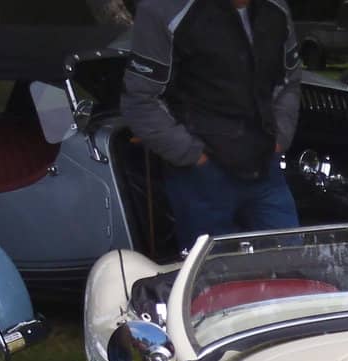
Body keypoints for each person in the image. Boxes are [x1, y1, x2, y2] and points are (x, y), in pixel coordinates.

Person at [122, 0, 302, 249]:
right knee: (214, 276)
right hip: (201, 176)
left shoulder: (276, 8)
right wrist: (193, 155)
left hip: (264, 164)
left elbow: (289, 81)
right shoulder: (164, 9)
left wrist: (280, 138)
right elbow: (140, 101)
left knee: (292, 261)